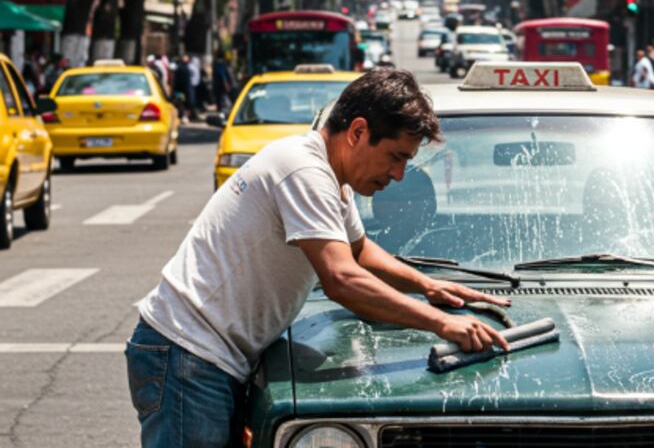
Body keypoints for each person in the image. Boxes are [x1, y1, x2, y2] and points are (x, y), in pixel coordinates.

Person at [125, 69, 510, 446]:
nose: (398, 174)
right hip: (188, 354)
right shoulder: (303, 170)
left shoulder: (331, 178)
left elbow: (359, 251)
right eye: (395, 157)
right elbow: (341, 279)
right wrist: (442, 323)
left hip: (205, 356)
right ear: (358, 132)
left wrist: (428, 285)